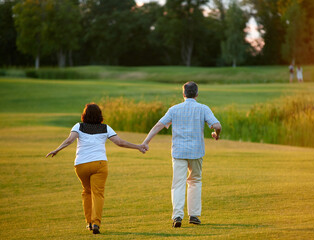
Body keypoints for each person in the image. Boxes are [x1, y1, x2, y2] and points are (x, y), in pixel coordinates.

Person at [46, 103, 147, 234]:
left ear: (84, 115)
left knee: (87, 191)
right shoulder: (105, 128)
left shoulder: (79, 126)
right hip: (100, 164)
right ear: (100, 115)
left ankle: (88, 222)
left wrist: (57, 149)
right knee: (98, 194)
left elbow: (69, 140)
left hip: (81, 165)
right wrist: (138, 146)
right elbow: (120, 142)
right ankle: (96, 224)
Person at [142, 81, 222, 228]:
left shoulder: (174, 109)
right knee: (195, 181)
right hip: (196, 152)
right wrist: (215, 134)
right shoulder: (203, 108)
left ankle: (177, 216)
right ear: (197, 94)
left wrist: (146, 141)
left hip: (178, 152)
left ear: (183, 94)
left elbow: (159, 125)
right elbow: (217, 126)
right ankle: (194, 215)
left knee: (178, 184)